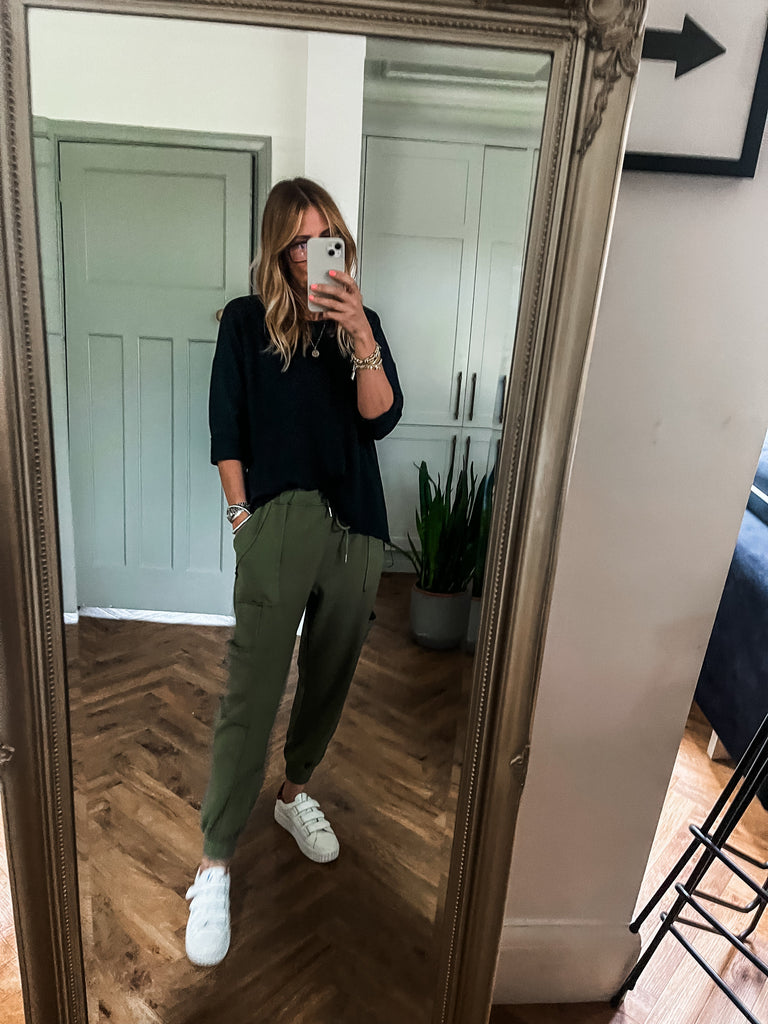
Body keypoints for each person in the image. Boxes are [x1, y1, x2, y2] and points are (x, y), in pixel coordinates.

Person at [184, 178, 403, 967]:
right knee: (253, 687)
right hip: (277, 525)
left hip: (357, 526)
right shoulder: (246, 323)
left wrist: (360, 334)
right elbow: (227, 432)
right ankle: (215, 862)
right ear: (279, 247)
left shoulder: (359, 325)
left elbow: (381, 417)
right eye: (301, 240)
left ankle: (295, 792)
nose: (315, 253)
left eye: (326, 237)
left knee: (330, 675)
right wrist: (243, 522)